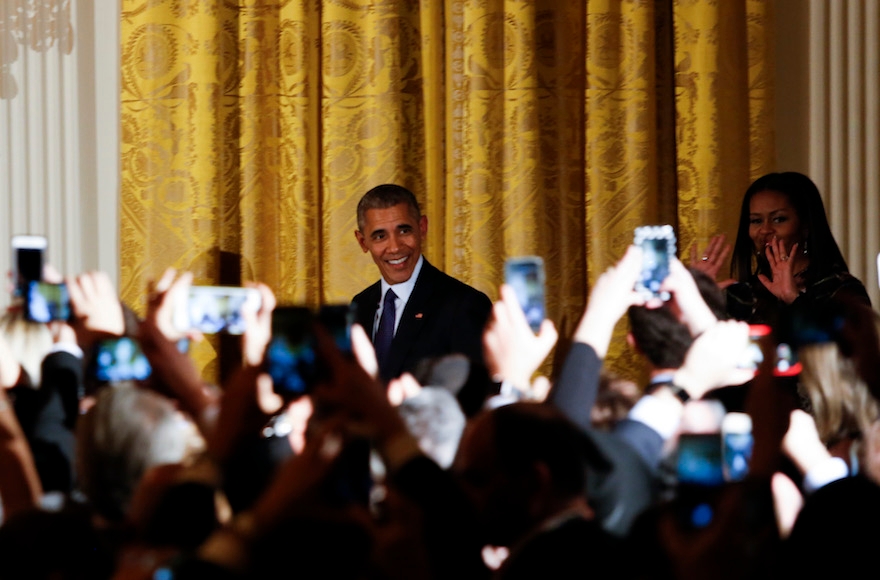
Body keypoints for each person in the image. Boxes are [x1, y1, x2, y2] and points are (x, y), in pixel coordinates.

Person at [351, 184, 493, 413]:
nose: (395, 247)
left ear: (422, 227)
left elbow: (475, 404)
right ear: (363, 242)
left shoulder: (464, 304)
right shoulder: (360, 305)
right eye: (380, 236)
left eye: (404, 230)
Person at [724, 171, 871, 325]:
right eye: (756, 221)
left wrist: (794, 298)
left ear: (805, 225)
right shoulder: (744, 294)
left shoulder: (841, 289)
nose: (765, 229)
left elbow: (856, 345)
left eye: (779, 219)